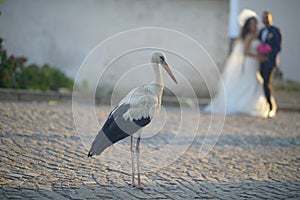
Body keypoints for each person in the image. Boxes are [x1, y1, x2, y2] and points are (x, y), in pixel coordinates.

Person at [204, 9, 269, 118]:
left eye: (255, 23)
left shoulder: (258, 35)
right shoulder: (249, 36)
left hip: (255, 62)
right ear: (248, 26)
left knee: (254, 81)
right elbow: (245, 51)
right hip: (250, 61)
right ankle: (245, 104)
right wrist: (259, 56)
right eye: (252, 24)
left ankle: (250, 103)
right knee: (252, 81)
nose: (254, 26)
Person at [259, 11, 282, 118]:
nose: (265, 20)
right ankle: (264, 104)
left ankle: (270, 105)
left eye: (267, 17)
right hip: (261, 62)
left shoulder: (276, 31)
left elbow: (278, 47)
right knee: (262, 83)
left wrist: (269, 54)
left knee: (267, 83)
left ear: (271, 18)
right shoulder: (261, 31)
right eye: (264, 18)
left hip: (270, 62)